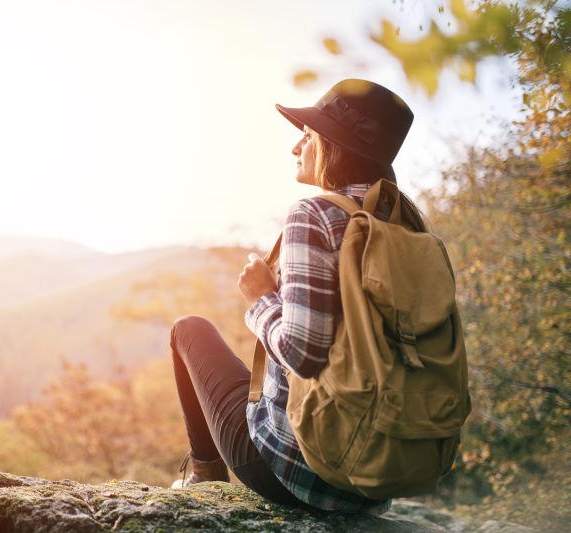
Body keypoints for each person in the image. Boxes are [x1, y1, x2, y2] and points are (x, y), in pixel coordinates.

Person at [168, 78, 429, 514]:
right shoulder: (409, 226)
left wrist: (261, 297)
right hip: (375, 478)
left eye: (306, 136)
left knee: (188, 329)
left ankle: (204, 473)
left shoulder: (315, 215)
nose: (296, 147)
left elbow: (302, 353)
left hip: (295, 471)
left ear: (332, 146)